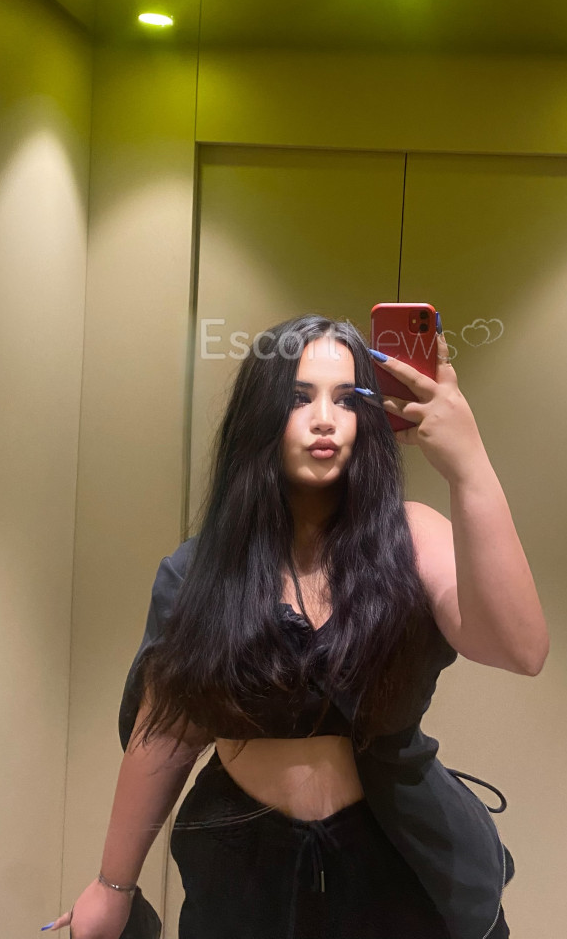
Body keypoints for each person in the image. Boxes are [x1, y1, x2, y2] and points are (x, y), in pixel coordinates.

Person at [43, 313, 541, 938]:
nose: (325, 419)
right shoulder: (200, 571)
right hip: (243, 868)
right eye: (300, 398)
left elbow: (519, 648)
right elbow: (166, 734)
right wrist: (112, 884)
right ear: (261, 416)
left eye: (347, 399)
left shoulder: (412, 537)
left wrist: (469, 465)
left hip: (401, 862)